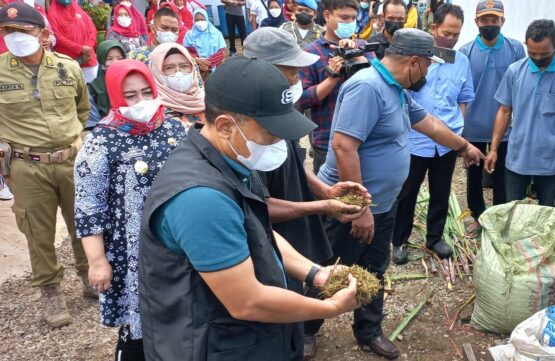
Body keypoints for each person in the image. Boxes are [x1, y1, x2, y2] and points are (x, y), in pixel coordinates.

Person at [139, 57, 360, 361]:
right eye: (271, 132)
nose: (280, 142)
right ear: (226, 126)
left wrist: (315, 273)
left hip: (245, 339)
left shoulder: (230, 160)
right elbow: (247, 301)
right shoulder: (201, 199)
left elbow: (260, 232)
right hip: (213, 346)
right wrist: (330, 307)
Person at [307, 29, 484, 360]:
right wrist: (359, 209)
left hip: (382, 205)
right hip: (349, 208)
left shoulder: (396, 90)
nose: (429, 74)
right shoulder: (367, 87)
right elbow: (344, 146)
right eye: (428, 67)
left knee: (374, 269)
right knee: (330, 267)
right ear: (414, 63)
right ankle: (304, 330)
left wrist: (463, 146)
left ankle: (369, 331)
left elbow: (428, 123)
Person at [243, 26, 371, 361]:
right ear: (262, 70)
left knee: (301, 280)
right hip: (267, 237)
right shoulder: (244, 129)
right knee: (275, 300)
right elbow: (259, 209)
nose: (297, 76)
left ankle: (298, 335)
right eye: (289, 70)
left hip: (296, 224)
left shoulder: (279, 112)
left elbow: (294, 162)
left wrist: (325, 189)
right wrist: (322, 205)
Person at [75, 59, 187, 361]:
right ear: (114, 97)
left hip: (180, 243)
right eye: (131, 96)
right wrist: (97, 261)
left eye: (146, 92)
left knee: (183, 315)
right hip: (132, 251)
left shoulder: (175, 128)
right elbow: (89, 207)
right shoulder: (100, 142)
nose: (141, 102)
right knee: (139, 327)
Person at [0, 3, 92, 328]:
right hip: (26, 166)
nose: (16, 37)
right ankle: (51, 291)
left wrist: (71, 142)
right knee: (38, 232)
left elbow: (82, 111)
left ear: (42, 32)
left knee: (84, 221)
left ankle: (91, 277)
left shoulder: (68, 68)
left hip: (71, 160)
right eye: (8, 31)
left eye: (23, 31)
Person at [390, 3, 473, 264]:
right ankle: (399, 240)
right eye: (446, 33)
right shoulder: (414, 58)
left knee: (441, 191)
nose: (451, 39)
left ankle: (434, 237)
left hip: (446, 142)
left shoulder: (462, 62)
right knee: (407, 192)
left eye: (456, 34)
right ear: (433, 27)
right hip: (415, 140)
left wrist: (456, 129)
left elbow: (464, 99)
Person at [488, 19, 555, 207]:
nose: (537, 58)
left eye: (544, 54)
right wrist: (494, 149)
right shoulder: (515, 71)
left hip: (550, 159)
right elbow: (504, 110)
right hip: (518, 156)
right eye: (532, 53)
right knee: (513, 210)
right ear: (525, 45)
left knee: (547, 211)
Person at [458, 0, 524, 224]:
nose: (489, 24)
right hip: (473, 127)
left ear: (502, 21)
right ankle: (478, 217)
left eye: (494, 20)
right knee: (474, 176)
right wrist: (461, 133)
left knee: (502, 176)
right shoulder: (465, 51)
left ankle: (499, 218)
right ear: (476, 21)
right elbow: (461, 93)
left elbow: (520, 87)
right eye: (484, 19)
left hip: (505, 127)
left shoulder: (515, 49)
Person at [298, 0, 375, 173]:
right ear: (327, 15)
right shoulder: (310, 53)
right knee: (328, 193)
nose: (350, 23)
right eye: (344, 17)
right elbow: (302, 99)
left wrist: (359, 58)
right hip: (328, 141)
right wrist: (332, 78)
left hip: (365, 138)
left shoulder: (363, 48)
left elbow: (382, 81)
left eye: (353, 18)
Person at [149, 43, 207, 128]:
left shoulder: (209, 99)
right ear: (156, 73)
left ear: (193, 68)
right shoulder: (152, 112)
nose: (178, 73)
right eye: (169, 68)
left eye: (184, 66)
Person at [47, 0, 99, 82]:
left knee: (92, 88)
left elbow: (92, 30)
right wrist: (80, 49)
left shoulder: (78, 9)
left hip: (88, 58)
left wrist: (88, 47)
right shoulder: (53, 14)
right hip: (68, 61)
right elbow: (58, 37)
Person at [87, 41, 127, 130]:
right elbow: (93, 122)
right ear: (102, 60)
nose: (115, 62)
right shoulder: (93, 88)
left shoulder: (132, 82)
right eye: (109, 59)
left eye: (120, 58)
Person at [183, 8, 226, 77]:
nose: (200, 22)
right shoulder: (189, 35)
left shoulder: (216, 33)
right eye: (197, 20)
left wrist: (208, 65)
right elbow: (186, 52)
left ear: (207, 19)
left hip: (215, 68)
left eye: (202, 19)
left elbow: (221, 53)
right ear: (194, 21)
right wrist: (196, 61)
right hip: (196, 69)